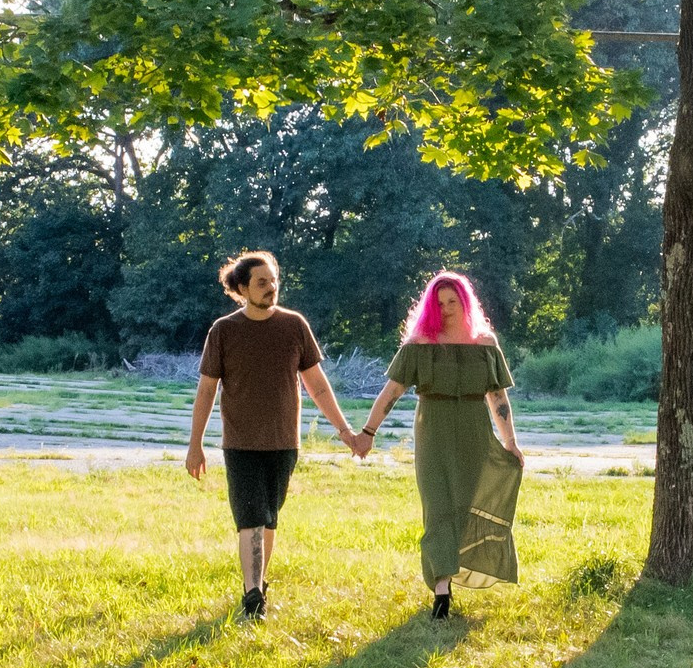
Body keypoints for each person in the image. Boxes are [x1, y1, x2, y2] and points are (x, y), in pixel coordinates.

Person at [184, 251, 367, 618]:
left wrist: (345, 431)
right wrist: (195, 445)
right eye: (262, 282)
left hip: (284, 442)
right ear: (242, 289)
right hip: (241, 443)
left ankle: (259, 583)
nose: (271, 287)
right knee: (250, 517)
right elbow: (206, 390)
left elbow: (317, 386)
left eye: (273, 280)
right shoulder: (223, 330)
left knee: (268, 517)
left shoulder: (294, 325)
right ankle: (253, 596)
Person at [356, 270, 522, 620]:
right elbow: (392, 391)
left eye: (452, 301)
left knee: (466, 505)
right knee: (437, 507)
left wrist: (511, 442)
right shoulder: (420, 344)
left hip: (474, 431)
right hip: (433, 430)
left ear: (465, 302)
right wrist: (368, 432)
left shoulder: (485, 343)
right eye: (440, 303)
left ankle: (454, 569)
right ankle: (442, 589)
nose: (446, 309)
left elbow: (497, 396)